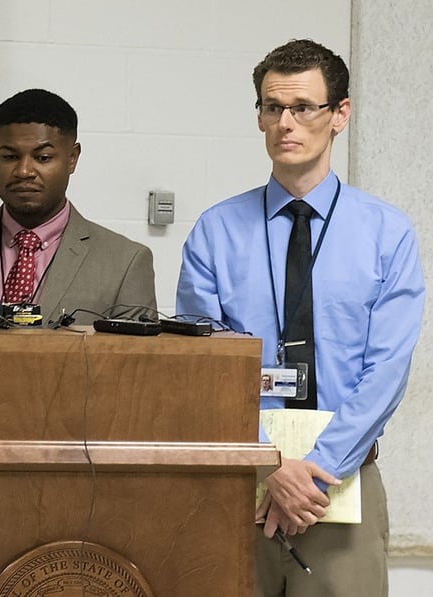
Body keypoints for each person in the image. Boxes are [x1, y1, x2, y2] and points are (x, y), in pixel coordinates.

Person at [176, 40, 424, 596]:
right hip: (241, 484)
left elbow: (386, 372)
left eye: (303, 107)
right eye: (271, 107)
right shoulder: (216, 233)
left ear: (340, 114)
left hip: (341, 482)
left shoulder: (387, 234)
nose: (285, 123)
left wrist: (311, 471)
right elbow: (204, 367)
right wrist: (272, 464)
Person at [0, 89, 156, 324]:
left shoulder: (126, 263)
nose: (24, 171)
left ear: (72, 158)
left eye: (43, 158)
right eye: (9, 157)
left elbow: (135, 360)